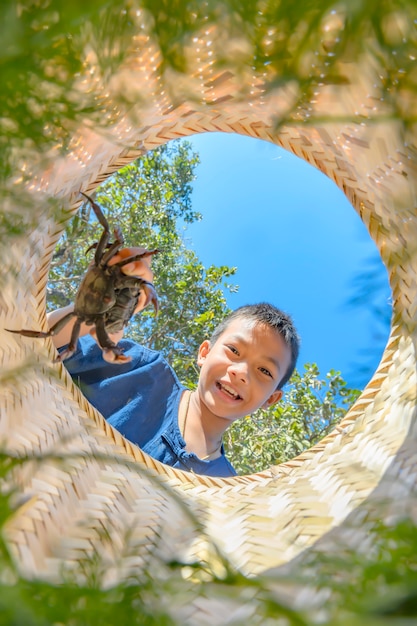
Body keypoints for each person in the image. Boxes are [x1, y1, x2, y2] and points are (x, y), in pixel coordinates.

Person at [47, 249, 300, 478]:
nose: (241, 372)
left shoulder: (226, 487)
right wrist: (93, 312)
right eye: (234, 350)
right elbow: (39, 347)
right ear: (204, 353)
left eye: (265, 371)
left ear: (271, 399)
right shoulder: (139, 369)